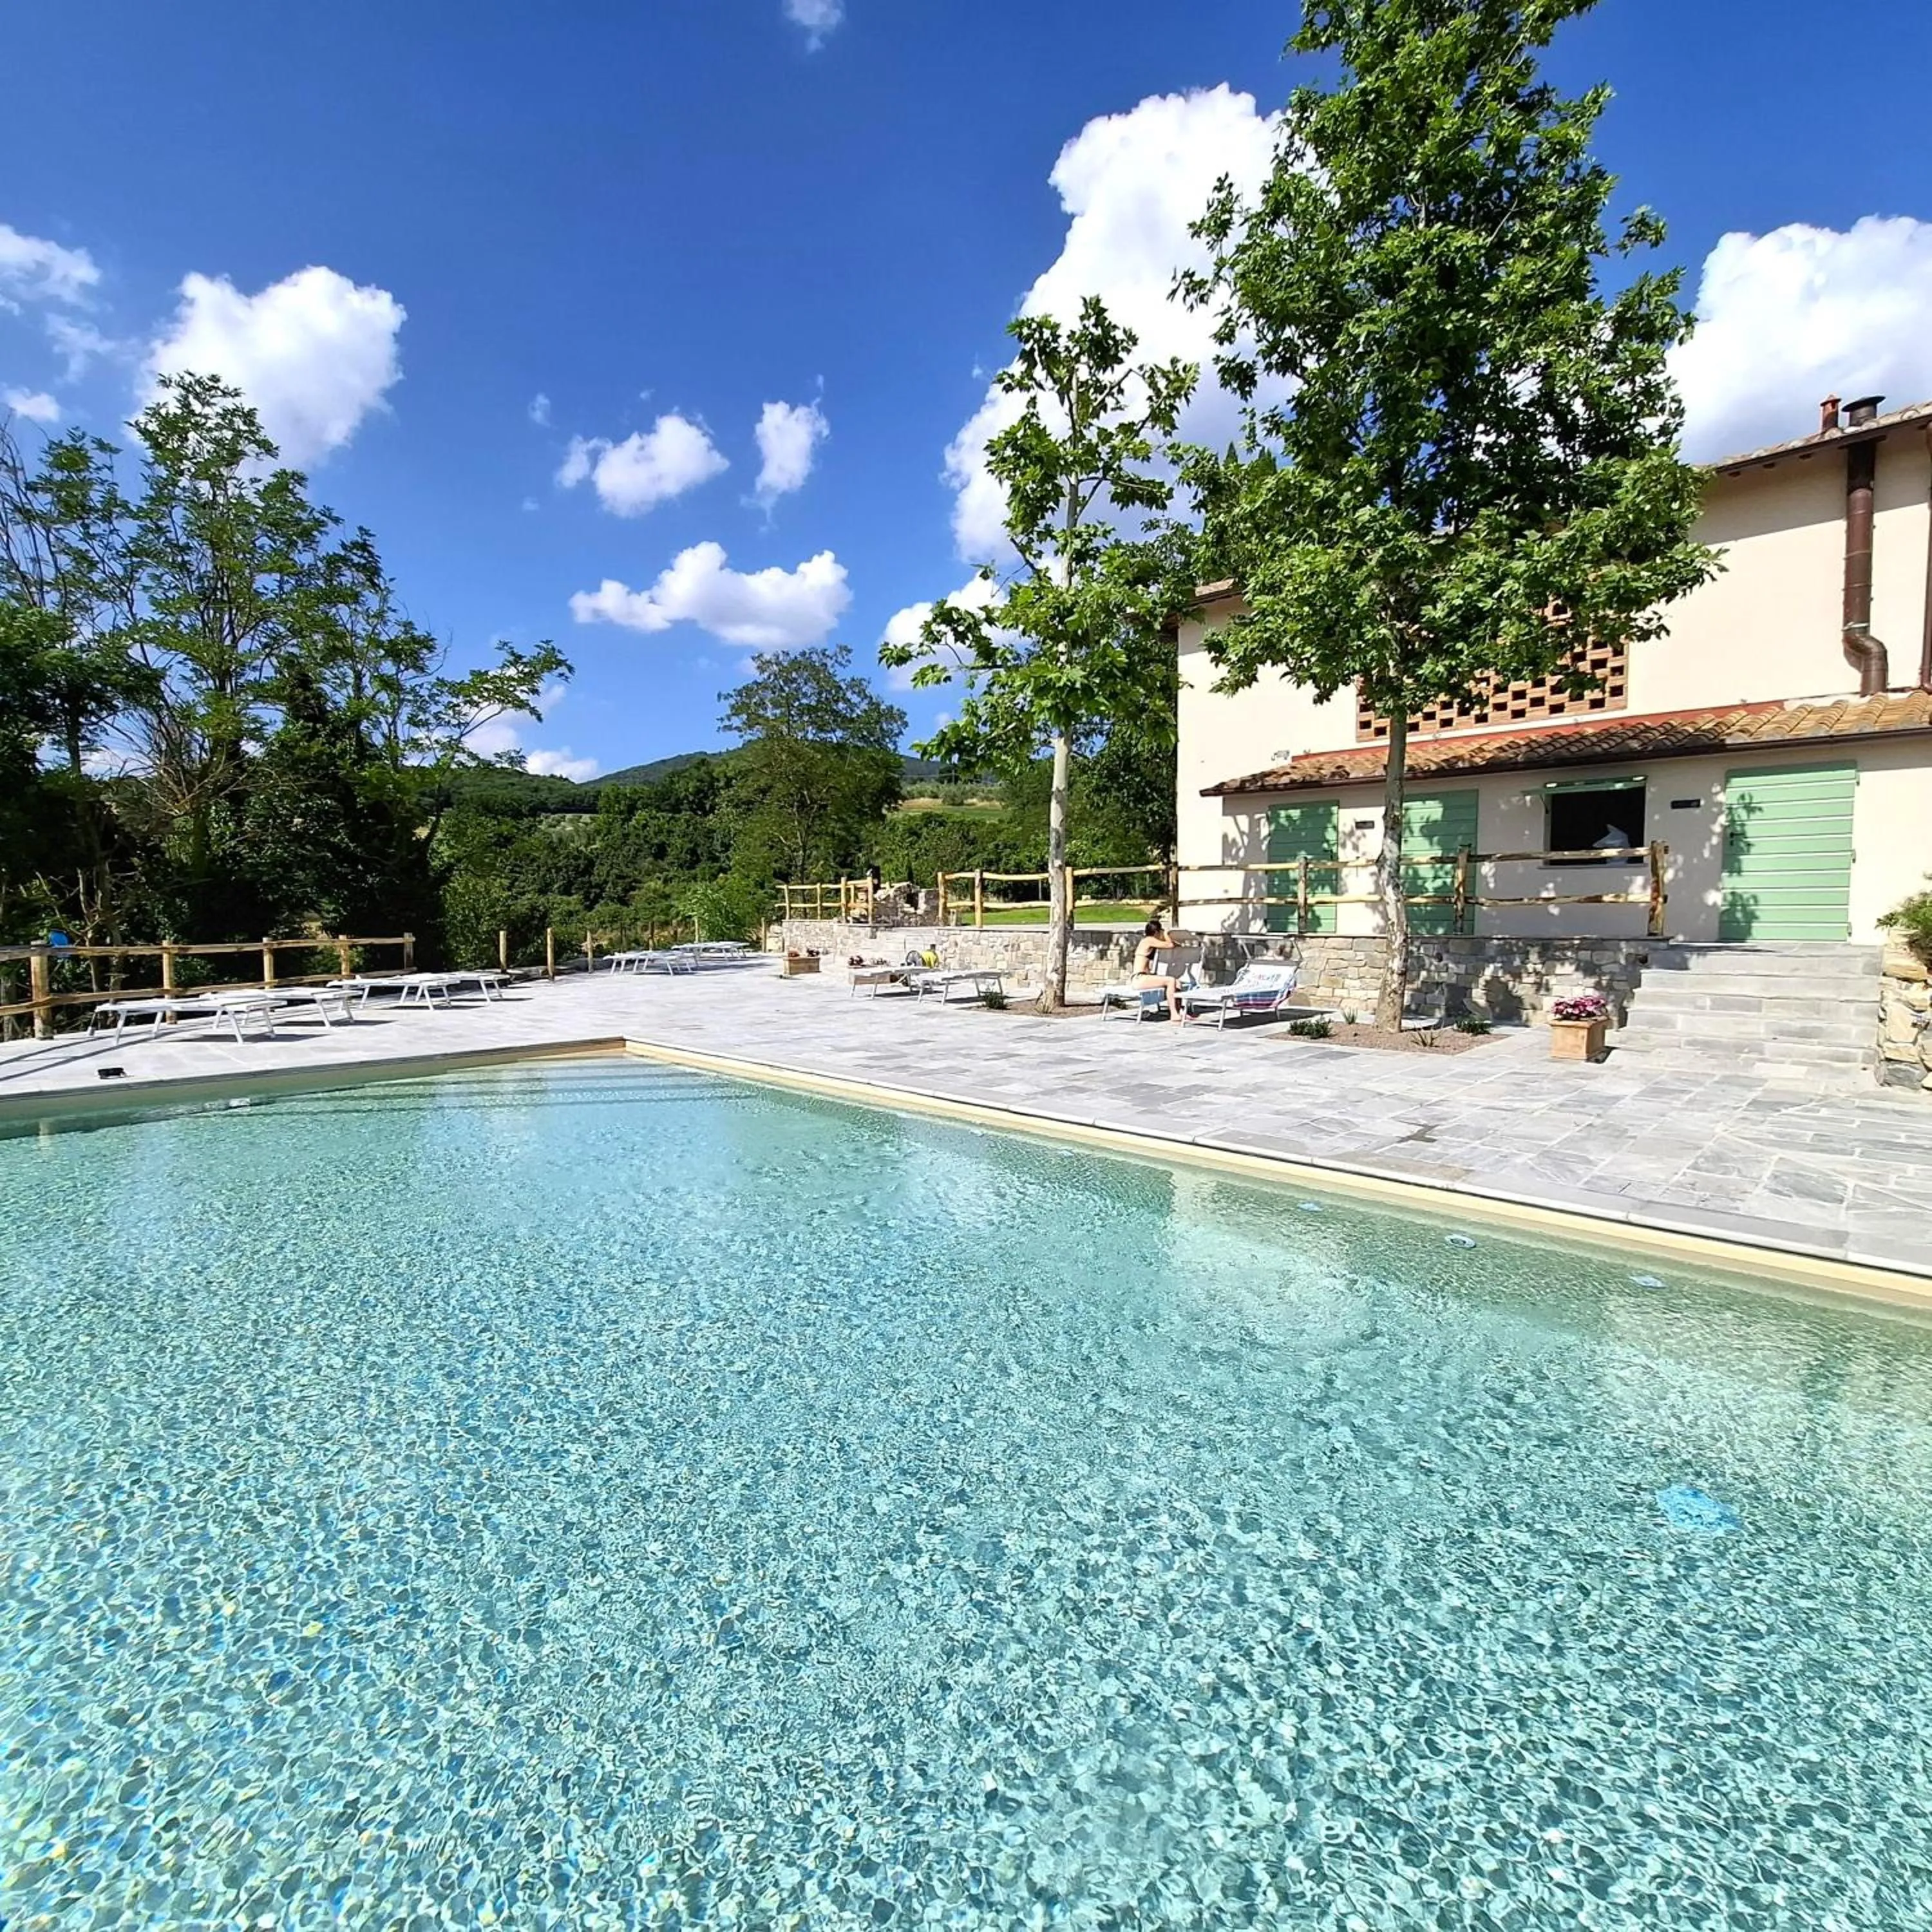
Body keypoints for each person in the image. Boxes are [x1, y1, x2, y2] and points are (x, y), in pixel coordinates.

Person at [1132, 918, 1189, 1023]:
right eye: (1161, 932)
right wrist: (1167, 934)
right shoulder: (1149, 940)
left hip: (1144, 977)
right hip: (1139, 978)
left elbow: (1170, 945)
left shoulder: (1149, 941)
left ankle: (1179, 1011)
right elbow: (1170, 945)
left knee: (1177, 982)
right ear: (1157, 932)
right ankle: (1173, 1014)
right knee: (1170, 980)